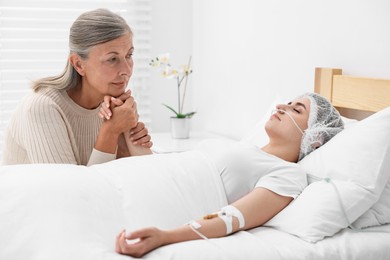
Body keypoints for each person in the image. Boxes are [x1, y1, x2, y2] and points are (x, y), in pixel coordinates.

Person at [114, 92, 345, 258]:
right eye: (287, 103)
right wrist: (127, 127)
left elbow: (231, 218)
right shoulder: (245, 148)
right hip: (141, 179)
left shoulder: (288, 174)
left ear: (315, 138)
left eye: (296, 110)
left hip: (156, 198)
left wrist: (166, 237)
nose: (281, 107)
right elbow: (176, 170)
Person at [2, 9, 152, 166]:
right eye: (112, 59)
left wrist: (126, 143)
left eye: (129, 55)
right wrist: (111, 131)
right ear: (79, 64)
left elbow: (150, 177)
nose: (126, 70)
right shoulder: (42, 107)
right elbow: (70, 188)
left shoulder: (113, 106)